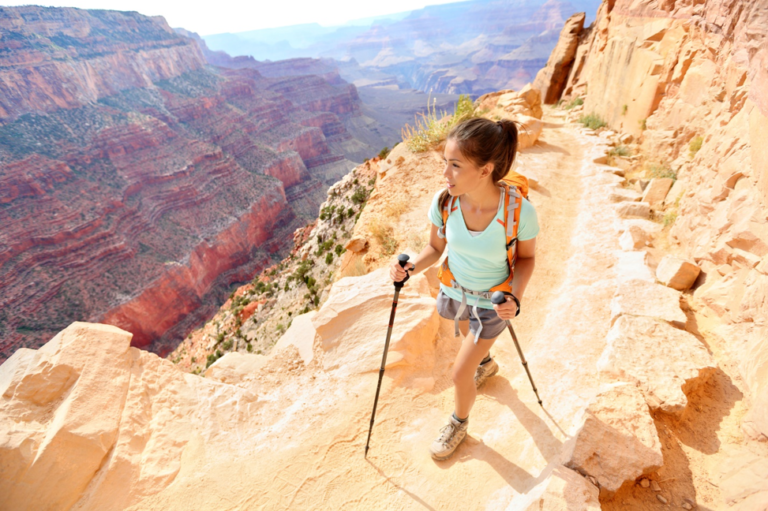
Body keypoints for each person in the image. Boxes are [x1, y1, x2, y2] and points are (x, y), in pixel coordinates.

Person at [389, 117, 539, 461]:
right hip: (455, 293)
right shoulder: (445, 202)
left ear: (486, 169)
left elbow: (527, 260)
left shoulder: (520, 212)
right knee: (467, 342)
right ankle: (485, 362)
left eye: (455, 166)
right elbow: (434, 248)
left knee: (459, 374)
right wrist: (410, 267)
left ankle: (459, 422)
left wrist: (515, 297)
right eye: (445, 163)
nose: (445, 174)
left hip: (493, 304)